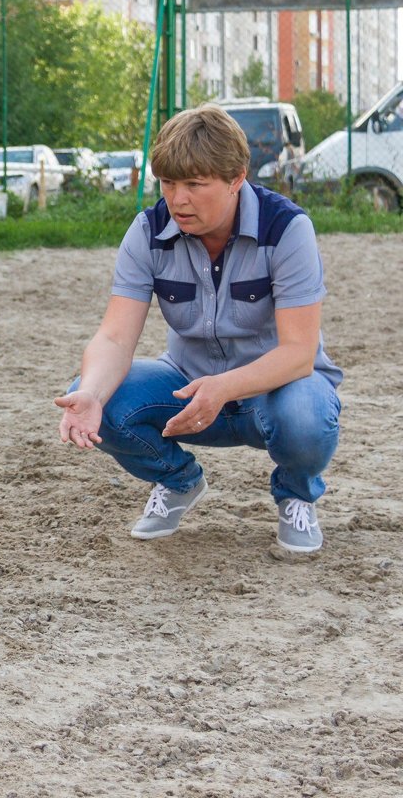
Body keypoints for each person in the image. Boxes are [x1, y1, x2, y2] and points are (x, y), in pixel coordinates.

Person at [55, 104, 342, 553]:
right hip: (187, 389)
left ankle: (296, 495)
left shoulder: (286, 228)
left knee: (307, 414)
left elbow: (299, 353)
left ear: (236, 178)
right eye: (168, 183)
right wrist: (91, 392)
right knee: (98, 398)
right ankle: (178, 481)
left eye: (194, 184)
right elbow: (114, 337)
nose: (178, 199)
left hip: (275, 392)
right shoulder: (148, 230)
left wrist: (224, 387)